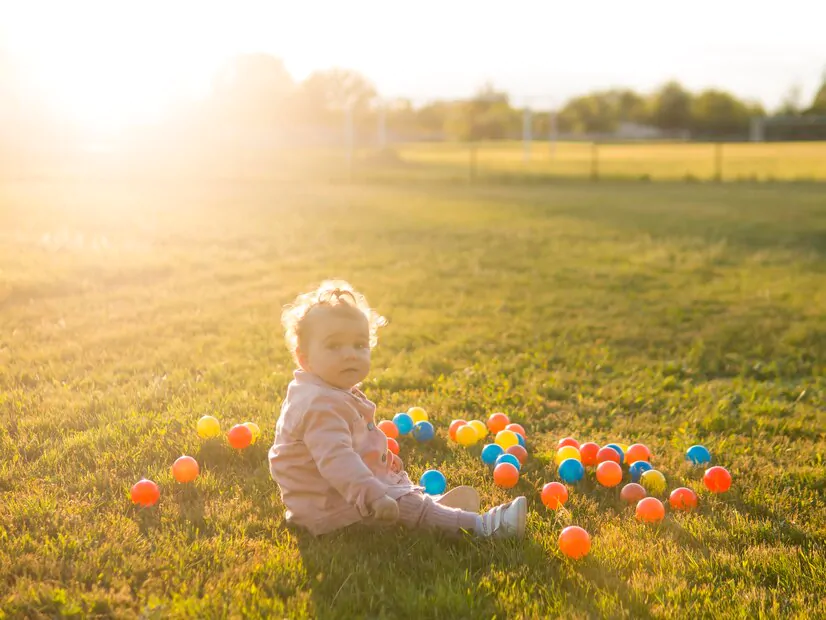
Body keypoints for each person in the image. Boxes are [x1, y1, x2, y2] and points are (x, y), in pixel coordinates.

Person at [268, 279, 526, 538]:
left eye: (359, 345)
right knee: (408, 506)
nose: (350, 354)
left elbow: (350, 444)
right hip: (329, 509)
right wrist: (376, 496)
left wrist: (379, 464)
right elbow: (338, 462)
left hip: (338, 494)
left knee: (404, 498)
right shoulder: (318, 405)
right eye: (334, 346)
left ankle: (437, 510)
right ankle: (483, 526)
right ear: (304, 358)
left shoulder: (330, 389)